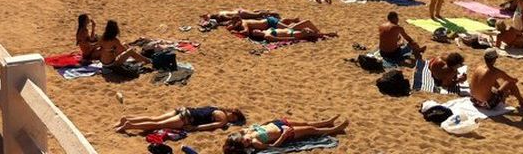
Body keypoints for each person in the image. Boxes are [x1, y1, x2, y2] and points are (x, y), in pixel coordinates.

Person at [223, 116, 348, 153]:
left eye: (244, 141)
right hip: (284, 133)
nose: (247, 142)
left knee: (305, 122)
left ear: (240, 137)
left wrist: (269, 121)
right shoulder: (256, 143)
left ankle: (326, 122)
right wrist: (284, 136)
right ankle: (335, 129)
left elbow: (261, 125)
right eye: (245, 145)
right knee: (310, 129)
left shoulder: (246, 131)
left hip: (277, 123)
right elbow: (272, 147)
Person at [115, 107, 246, 134]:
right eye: (234, 119)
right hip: (186, 118)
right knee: (157, 124)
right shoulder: (223, 119)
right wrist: (194, 128)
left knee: (154, 118)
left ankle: (127, 118)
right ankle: (129, 125)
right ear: (234, 116)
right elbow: (209, 126)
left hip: (183, 110)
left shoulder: (218, 108)